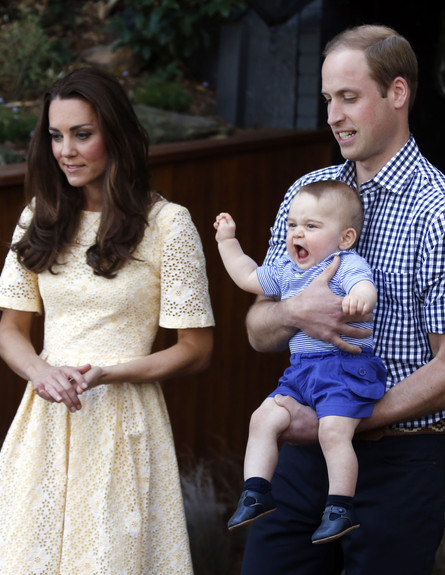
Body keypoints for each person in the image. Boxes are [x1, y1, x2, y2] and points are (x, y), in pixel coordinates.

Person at [241, 24, 445, 575]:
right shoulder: (306, 195)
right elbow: (258, 329)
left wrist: (346, 418)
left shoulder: (438, 209)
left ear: (397, 94)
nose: (333, 114)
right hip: (304, 456)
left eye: (349, 97)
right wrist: (290, 311)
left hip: (402, 462)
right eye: (329, 99)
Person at [0, 66, 214, 575]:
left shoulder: (168, 224)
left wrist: (109, 372)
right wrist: (41, 372)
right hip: (45, 419)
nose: (65, 150)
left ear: (114, 134)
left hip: (122, 421)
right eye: (55, 135)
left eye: (82, 134)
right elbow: (10, 329)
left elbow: (196, 349)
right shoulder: (39, 215)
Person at [214, 180, 386, 543]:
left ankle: (340, 506)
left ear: (345, 238)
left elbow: (364, 285)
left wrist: (360, 299)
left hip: (342, 368)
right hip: (301, 374)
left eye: (311, 226)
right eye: (292, 225)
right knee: (262, 418)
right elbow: (247, 276)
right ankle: (256, 491)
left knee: (333, 431)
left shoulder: (345, 264)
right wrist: (227, 242)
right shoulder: (287, 270)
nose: (297, 234)